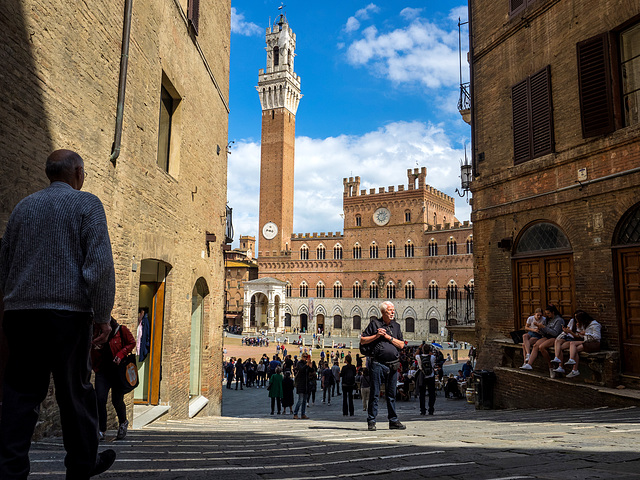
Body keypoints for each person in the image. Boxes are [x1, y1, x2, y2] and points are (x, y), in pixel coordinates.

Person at [0, 149, 117, 479]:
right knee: (75, 393)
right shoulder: (86, 204)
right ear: (78, 172)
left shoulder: (24, 207)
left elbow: (4, 263)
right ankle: (81, 466)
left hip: (21, 315)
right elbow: (100, 267)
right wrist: (102, 317)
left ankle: (10, 470)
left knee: (20, 394)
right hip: (67, 315)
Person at [360, 301, 406, 431]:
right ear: (383, 312)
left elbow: (402, 345)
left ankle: (393, 420)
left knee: (391, 395)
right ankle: (372, 421)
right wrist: (377, 335)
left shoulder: (396, 326)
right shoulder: (375, 324)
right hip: (378, 364)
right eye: (390, 310)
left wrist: (387, 337)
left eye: (393, 310)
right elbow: (363, 340)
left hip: (393, 365)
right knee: (374, 393)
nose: (392, 312)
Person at [91, 317, 136, 441]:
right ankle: (101, 430)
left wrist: (120, 354)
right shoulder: (95, 332)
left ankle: (123, 422)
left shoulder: (121, 330)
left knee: (117, 400)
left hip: (118, 372)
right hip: (102, 371)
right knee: (100, 399)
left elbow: (132, 342)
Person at [520, 304, 566, 377]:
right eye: (546, 314)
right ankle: (529, 364)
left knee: (542, 347)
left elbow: (555, 333)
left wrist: (544, 327)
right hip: (546, 336)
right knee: (535, 346)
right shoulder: (547, 319)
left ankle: (550, 366)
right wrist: (539, 328)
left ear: (553, 312)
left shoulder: (559, 320)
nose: (547, 315)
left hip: (555, 338)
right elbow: (543, 331)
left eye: (548, 313)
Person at [554, 311, 601, 378]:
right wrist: (579, 330)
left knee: (573, 346)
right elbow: (580, 336)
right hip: (586, 341)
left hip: (593, 343)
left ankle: (573, 366)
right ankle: (573, 368)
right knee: (573, 346)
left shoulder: (595, 325)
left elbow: (597, 337)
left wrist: (585, 334)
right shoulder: (585, 324)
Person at [416, 346, 436, 415]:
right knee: (432, 393)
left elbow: (415, 354)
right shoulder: (432, 357)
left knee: (422, 394)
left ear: (422, 350)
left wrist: (419, 348)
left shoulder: (419, 357)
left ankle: (422, 410)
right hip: (431, 376)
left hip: (422, 376)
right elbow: (433, 356)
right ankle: (431, 409)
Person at [293, 353, 310, 419]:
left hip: (306, 384)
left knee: (304, 401)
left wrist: (310, 365)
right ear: (302, 357)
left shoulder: (307, 364)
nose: (305, 358)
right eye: (304, 357)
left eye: (306, 357)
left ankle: (303, 414)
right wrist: (306, 365)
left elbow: (311, 371)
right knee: (300, 400)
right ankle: (295, 413)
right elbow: (301, 369)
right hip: (300, 384)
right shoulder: (299, 363)